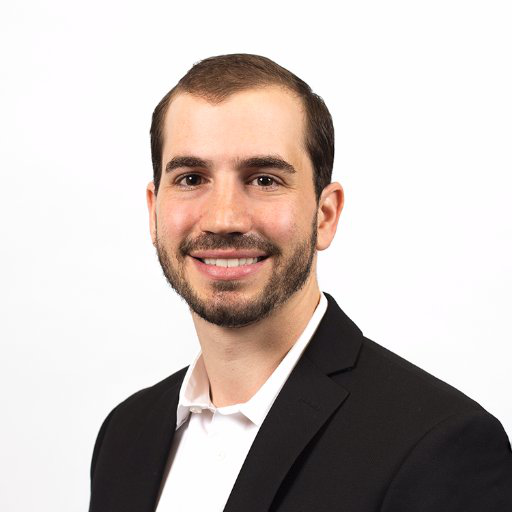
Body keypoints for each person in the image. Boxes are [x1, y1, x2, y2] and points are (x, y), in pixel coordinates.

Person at [88, 54, 512, 512]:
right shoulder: (125, 434)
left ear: (325, 215)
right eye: (191, 178)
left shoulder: (439, 446)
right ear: (154, 211)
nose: (223, 218)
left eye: (264, 179)